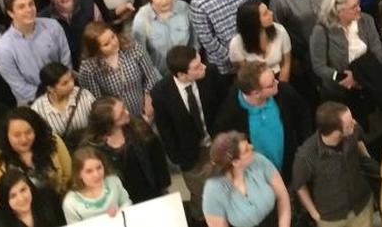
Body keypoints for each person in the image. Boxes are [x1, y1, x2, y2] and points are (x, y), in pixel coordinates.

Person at [150, 46, 219, 219]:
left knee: (222, 185)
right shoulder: (161, 93)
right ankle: (200, 218)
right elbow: (165, 129)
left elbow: (220, 106)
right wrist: (178, 157)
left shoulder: (210, 73)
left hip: (215, 142)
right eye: (196, 67)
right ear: (181, 75)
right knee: (200, 194)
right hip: (189, 154)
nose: (203, 67)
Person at [292, 101, 377, 227]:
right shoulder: (306, 156)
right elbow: (299, 185)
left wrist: (368, 161)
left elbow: (359, 142)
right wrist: (314, 214)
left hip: (362, 205)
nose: (354, 123)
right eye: (349, 124)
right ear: (336, 132)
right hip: (331, 218)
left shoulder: (354, 131)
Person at [310, 0, 382, 122]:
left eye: (358, 4)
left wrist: (358, 78)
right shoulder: (321, 31)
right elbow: (319, 66)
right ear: (338, 12)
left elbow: (379, 54)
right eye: (353, 7)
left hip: (367, 82)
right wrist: (342, 77)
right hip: (338, 91)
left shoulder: (366, 20)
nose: (359, 9)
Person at [82, 95, 171, 203]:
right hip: (119, 199)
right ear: (108, 123)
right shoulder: (93, 148)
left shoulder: (139, 127)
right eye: (121, 115)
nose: (127, 113)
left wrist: (164, 186)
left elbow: (157, 157)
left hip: (150, 190)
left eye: (124, 107)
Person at [0, 0, 72, 105]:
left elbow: (66, 59)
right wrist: (51, 96)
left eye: (31, 4)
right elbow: (19, 86)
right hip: (34, 103)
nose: (29, 9)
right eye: (21, 7)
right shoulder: (3, 49)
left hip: (65, 90)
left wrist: (63, 87)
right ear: (10, 13)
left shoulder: (53, 26)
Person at [190, 0, 257, 79]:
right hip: (225, 68)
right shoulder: (200, 2)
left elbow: (255, 13)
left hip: (253, 54)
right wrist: (235, 58)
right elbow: (208, 40)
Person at [203, 130, 292, 227]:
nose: (252, 147)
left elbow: (283, 196)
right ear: (235, 162)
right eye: (246, 150)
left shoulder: (259, 160)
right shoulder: (213, 191)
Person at [0, 106, 72, 204]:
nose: (24, 139)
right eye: (17, 135)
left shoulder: (52, 142)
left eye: (28, 132)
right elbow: (2, 204)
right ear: (6, 136)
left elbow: (68, 175)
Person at [77, 22, 161, 117]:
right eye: (106, 44)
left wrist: (148, 101)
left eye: (113, 36)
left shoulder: (133, 48)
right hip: (117, 119)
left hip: (145, 109)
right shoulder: (88, 69)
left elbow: (150, 75)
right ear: (96, 49)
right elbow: (98, 102)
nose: (113, 43)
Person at [133, 0, 194, 75]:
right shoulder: (141, 20)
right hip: (161, 76)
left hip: (188, 70)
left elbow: (194, 40)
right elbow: (141, 56)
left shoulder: (184, 8)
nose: (164, 1)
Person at [30, 63, 95, 146]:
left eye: (71, 79)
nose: (71, 84)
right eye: (65, 83)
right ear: (50, 88)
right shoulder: (38, 110)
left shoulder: (85, 96)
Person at [38, 0, 96, 67]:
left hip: (93, 62)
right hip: (64, 69)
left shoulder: (90, 6)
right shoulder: (43, 19)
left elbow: (102, 36)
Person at [61, 147, 131, 223]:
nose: (96, 174)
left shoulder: (113, 181)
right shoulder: (70, 202)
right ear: (78, 174)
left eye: (99, 168)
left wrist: (119, 212)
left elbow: (126, 202)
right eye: (89, 171)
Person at [228, 0, 292, 80]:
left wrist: (281, 87)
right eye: (265, 14)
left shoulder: (280, 30)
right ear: (253, 21)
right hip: (254, 82)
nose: (271, 13)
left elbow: (286, 64)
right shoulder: (236, 44)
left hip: (278, 77)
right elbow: (244, 75)